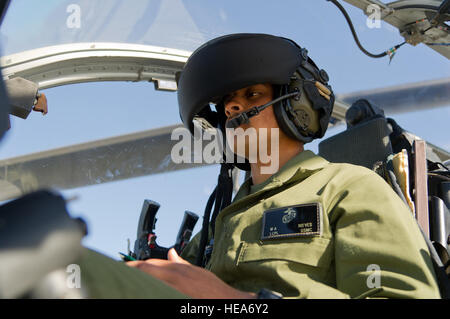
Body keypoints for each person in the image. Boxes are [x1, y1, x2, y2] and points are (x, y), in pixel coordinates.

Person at [57, 33, 442, 299]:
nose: (234, 109)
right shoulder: (220, 222)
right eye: (228, 105)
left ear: (298, 106)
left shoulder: (350, 189)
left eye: (252, 94)